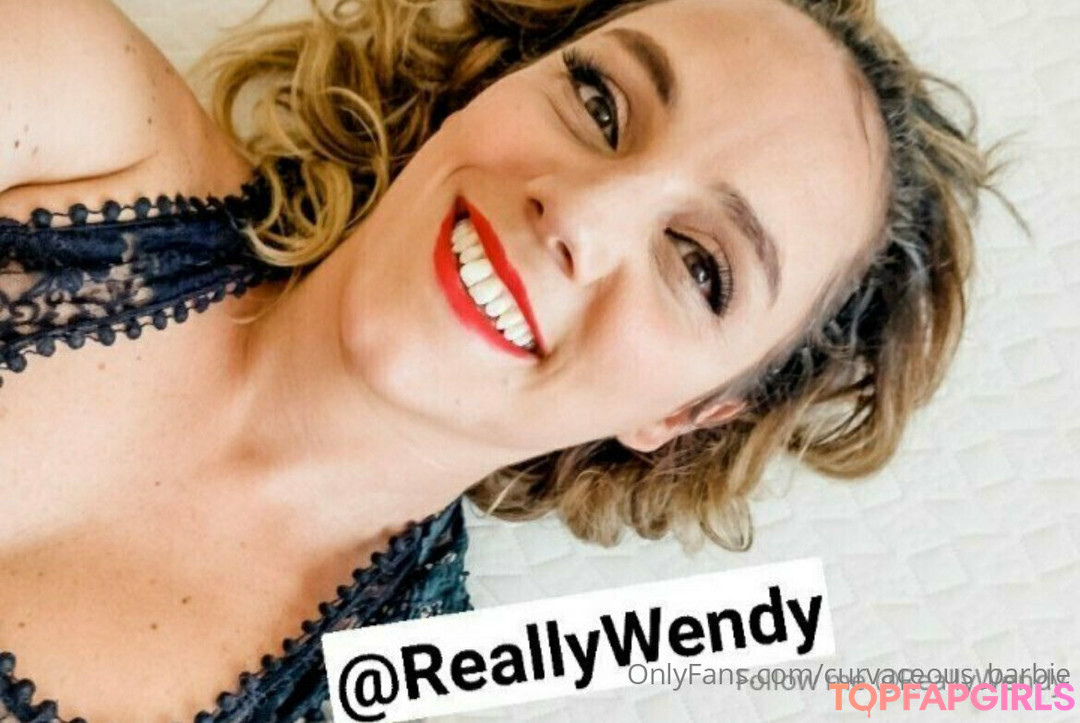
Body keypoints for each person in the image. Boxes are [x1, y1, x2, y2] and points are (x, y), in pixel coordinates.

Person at [0, 0, 1005, 720]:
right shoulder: (75, 111)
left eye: (699, 265)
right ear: (493, 87)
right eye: (600, 104)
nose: (578, 213)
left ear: (688, 414)